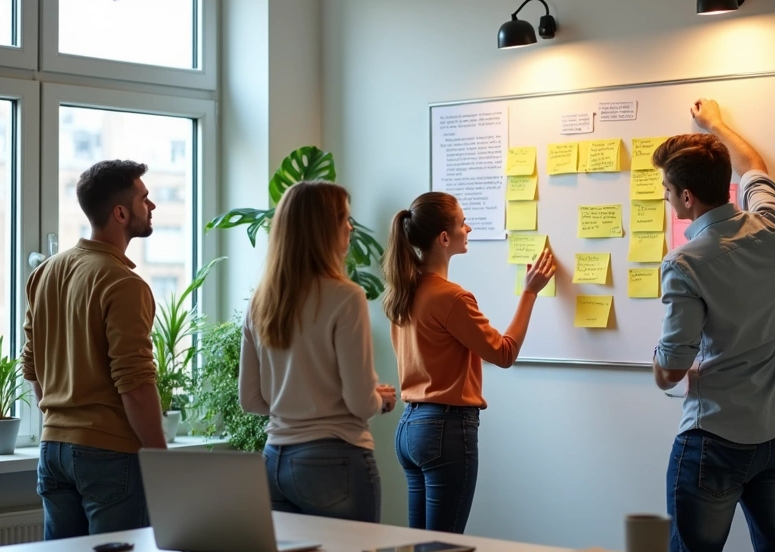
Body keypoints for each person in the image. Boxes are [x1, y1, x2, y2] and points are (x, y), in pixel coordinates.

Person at [652, 98, 775, 552]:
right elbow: (753, 166)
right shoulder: (773, 227)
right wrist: (717, 126)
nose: (666, 198)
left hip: (712, 441)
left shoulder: (685, 263)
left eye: (667, 190)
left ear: (687, 197)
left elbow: (670, 371)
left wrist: (661, 364)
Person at [382, 192, 555, 534]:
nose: (469, 228)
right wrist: (530, 292)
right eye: (463, 223)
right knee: (443, 548)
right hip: (444, 429)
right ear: (444, 238)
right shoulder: (451, 297)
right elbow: (504, 353)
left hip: (409, 427)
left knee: (420, 548)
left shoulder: (402, 292)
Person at [22, 159, 166, 541]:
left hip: (52, 452)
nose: (151, 207)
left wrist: (61, 421)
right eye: (144, 199)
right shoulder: (123, 284)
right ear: (120, 212)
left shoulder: (46, 272)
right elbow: (134, 383)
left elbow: (32, 367)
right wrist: (161, 458)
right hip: (110, 456)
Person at [238, 181, 396, 523]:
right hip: (334, 460)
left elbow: (250, 400)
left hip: (274, 461)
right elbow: (359, 403)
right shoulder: (346, 297)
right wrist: (378, 399)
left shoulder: (260, 302)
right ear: (323, 229)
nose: (351, 227)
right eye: (344, 219)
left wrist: (298, 404)